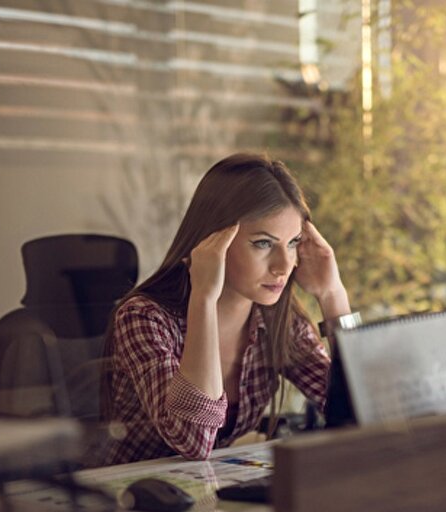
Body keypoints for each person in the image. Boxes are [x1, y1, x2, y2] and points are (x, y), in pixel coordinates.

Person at [99, 153, 356, 465]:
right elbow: (194, 442)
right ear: (212, 240)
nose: (284, 266)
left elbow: (361, 408)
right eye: (263, 243)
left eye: (293, 243)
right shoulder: (144, 317)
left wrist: (333, 295)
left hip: (210, 494)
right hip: (128, 496)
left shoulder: (277, 320)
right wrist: (204, 298)